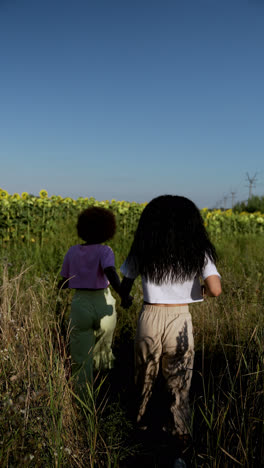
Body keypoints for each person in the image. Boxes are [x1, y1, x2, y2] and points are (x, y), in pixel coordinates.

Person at [120, 195, 221, 452]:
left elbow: (125, 285)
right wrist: (199, 291)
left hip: (149, 316)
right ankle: (179, 436)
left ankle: (140, 429)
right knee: (179, 381)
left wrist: (125, 297)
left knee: (143, 375)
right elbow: (216, 289)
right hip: (180, 318)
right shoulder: (199, 250)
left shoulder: (143, 247)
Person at [59, 206, 131, 397]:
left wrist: (57, 297)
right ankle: (104, 394)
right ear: (108, 229)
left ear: (82, 228)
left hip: (80, 303)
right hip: (102, 301)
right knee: (103, 351)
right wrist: (124, 293)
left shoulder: (72, 251)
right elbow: (110, 272)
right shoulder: (105, 250)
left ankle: (83, 402)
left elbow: (63, 282)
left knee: (81, 357)